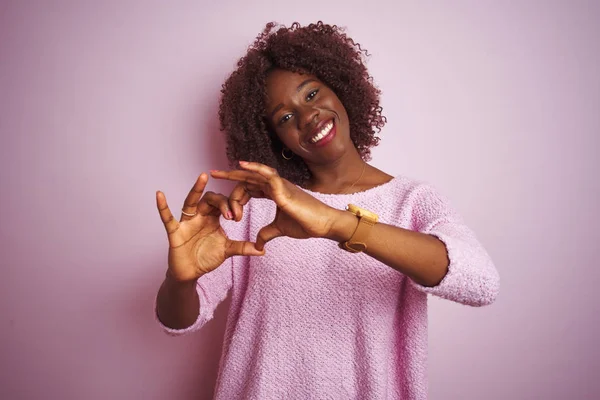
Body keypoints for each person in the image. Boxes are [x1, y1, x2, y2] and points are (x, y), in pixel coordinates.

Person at [154, 21, 499, 400]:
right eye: (284, 118)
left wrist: (338, 223)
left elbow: (481, 283)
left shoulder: (411, 201)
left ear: (342, 89)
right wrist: (180, 278)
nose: (307, 116)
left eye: (312, 93)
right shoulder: (257, 207)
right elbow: (178, 320)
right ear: (276, 140)